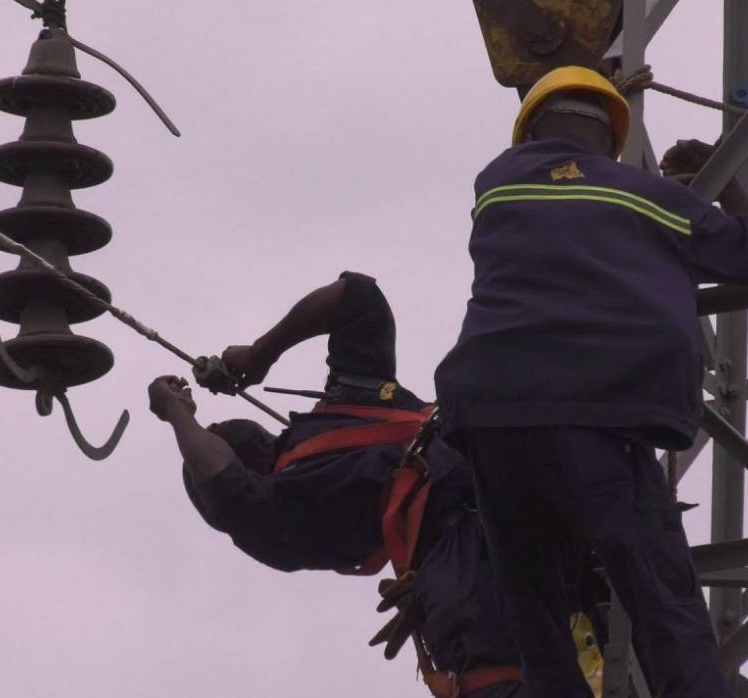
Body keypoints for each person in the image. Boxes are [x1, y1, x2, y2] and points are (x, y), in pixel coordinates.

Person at [433, 65, 748, 698]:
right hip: (597, 410)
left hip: (490, 411)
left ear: (529, 134)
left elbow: (581, 217)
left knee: (532, 608)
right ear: (613, 138)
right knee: (660, 600)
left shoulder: (495, 186)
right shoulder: (650, 199)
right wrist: (726, 188)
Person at [148, 272, 531, 698]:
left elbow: (357, 297)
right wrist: (183, 413)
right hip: (510, 517)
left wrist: (258, 356)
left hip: (505, 527)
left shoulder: (336, 423)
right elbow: (226, 491)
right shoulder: (291, 501)